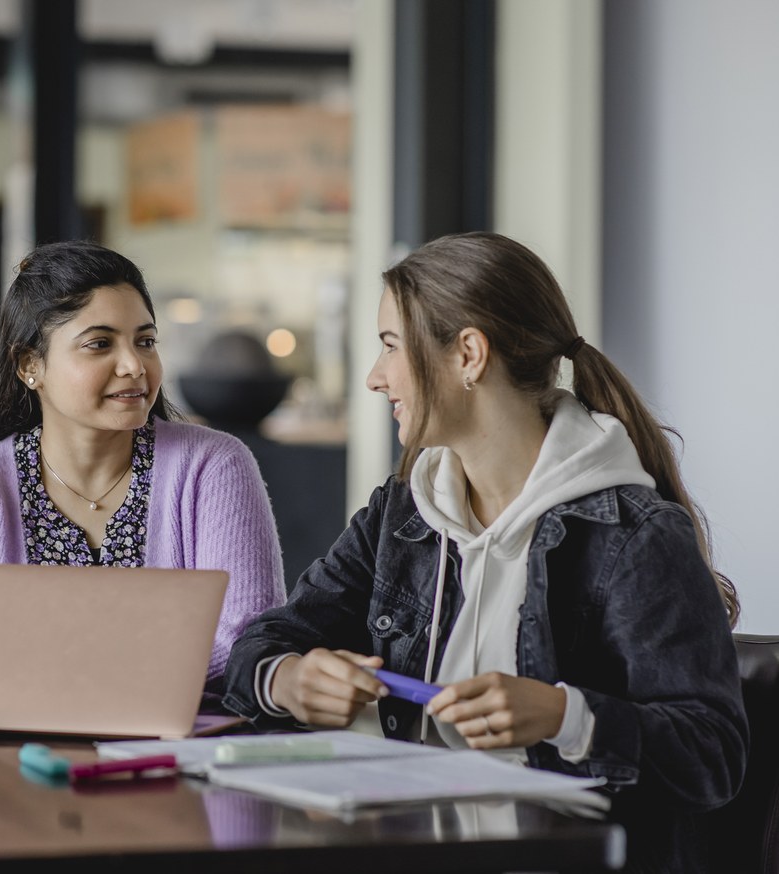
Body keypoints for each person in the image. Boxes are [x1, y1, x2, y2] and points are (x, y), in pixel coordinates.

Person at [222, 232, 745, 872]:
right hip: (410, 844)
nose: (374, 377)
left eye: (390, 346)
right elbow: (263, 643)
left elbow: (711, 756)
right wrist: (288, 680)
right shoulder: (401, 514)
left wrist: (563, 715)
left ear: (468, 355)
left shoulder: (633, 533)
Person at [0, 240, 286, 693]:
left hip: (180, 746)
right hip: (13, 747)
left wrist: (54, 668)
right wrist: (61, 671)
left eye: (145, 341)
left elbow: (246, 637)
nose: (134, 366)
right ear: (29, 366)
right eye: (99, 344)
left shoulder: (213, 467)